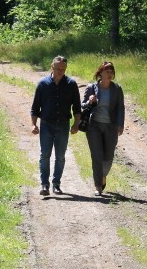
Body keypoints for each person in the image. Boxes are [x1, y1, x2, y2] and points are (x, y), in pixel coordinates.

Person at [30, 56, 82, 195]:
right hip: (46, 124)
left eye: (63, 69)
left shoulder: (71, 84)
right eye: (58, 68)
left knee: (60, 156)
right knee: (45, 155)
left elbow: (77, 107)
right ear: (52, 66)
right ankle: (44, 185)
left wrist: (76, 124)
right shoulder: (42, 84)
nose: (60, 71)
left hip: (63, 125)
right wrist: (34, 124)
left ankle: (56, 184)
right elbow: (35, 107)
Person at [82, 61, 125, 196]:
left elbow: (120, 108)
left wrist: (120, 124)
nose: (109, 73)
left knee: (108, 155)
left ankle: (103, 175)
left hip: (110, 126)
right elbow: (82, 105)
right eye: (107, 71)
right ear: (100, 73)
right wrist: (89, 101)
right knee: (97, 156)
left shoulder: (117, 89)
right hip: (93, 125)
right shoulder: (91, 88)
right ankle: (98, 186)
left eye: (111, 71)